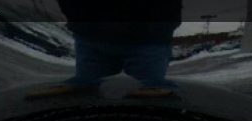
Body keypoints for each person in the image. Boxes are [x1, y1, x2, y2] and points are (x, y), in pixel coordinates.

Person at [28, 0, 182, 99]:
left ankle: (156, 85)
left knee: (150, 67)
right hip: (92, 34)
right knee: (88, 68)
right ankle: (84, 81)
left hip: (146, 35)